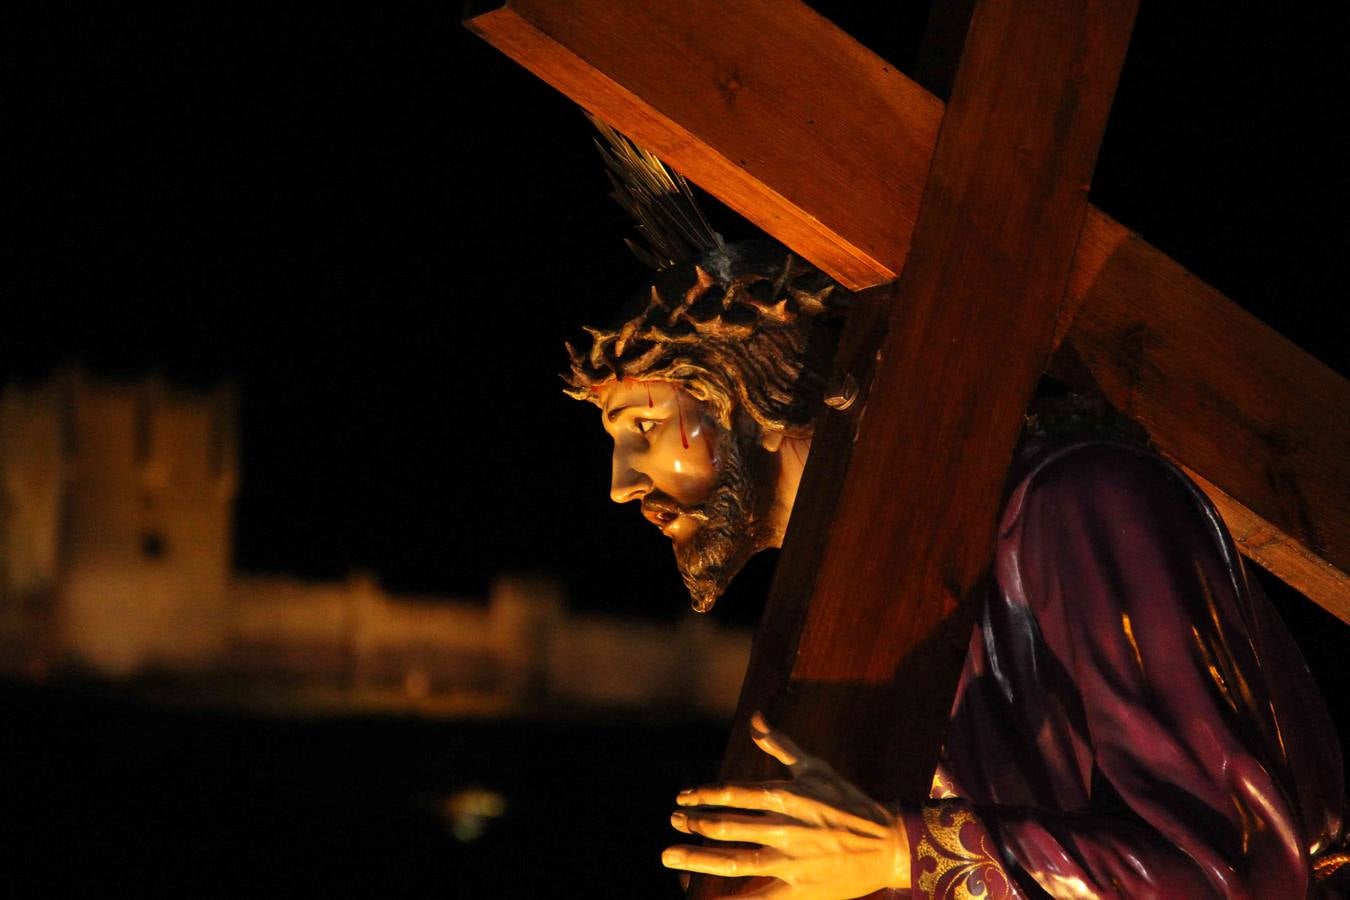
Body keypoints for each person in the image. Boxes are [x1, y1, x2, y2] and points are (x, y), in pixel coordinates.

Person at [564, 239, 1347, 898]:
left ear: (753, 393)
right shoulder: (857, 605)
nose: (620, 482)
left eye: (643, 423)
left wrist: (903, 852)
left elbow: (1229, 872)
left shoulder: (1083, 503)